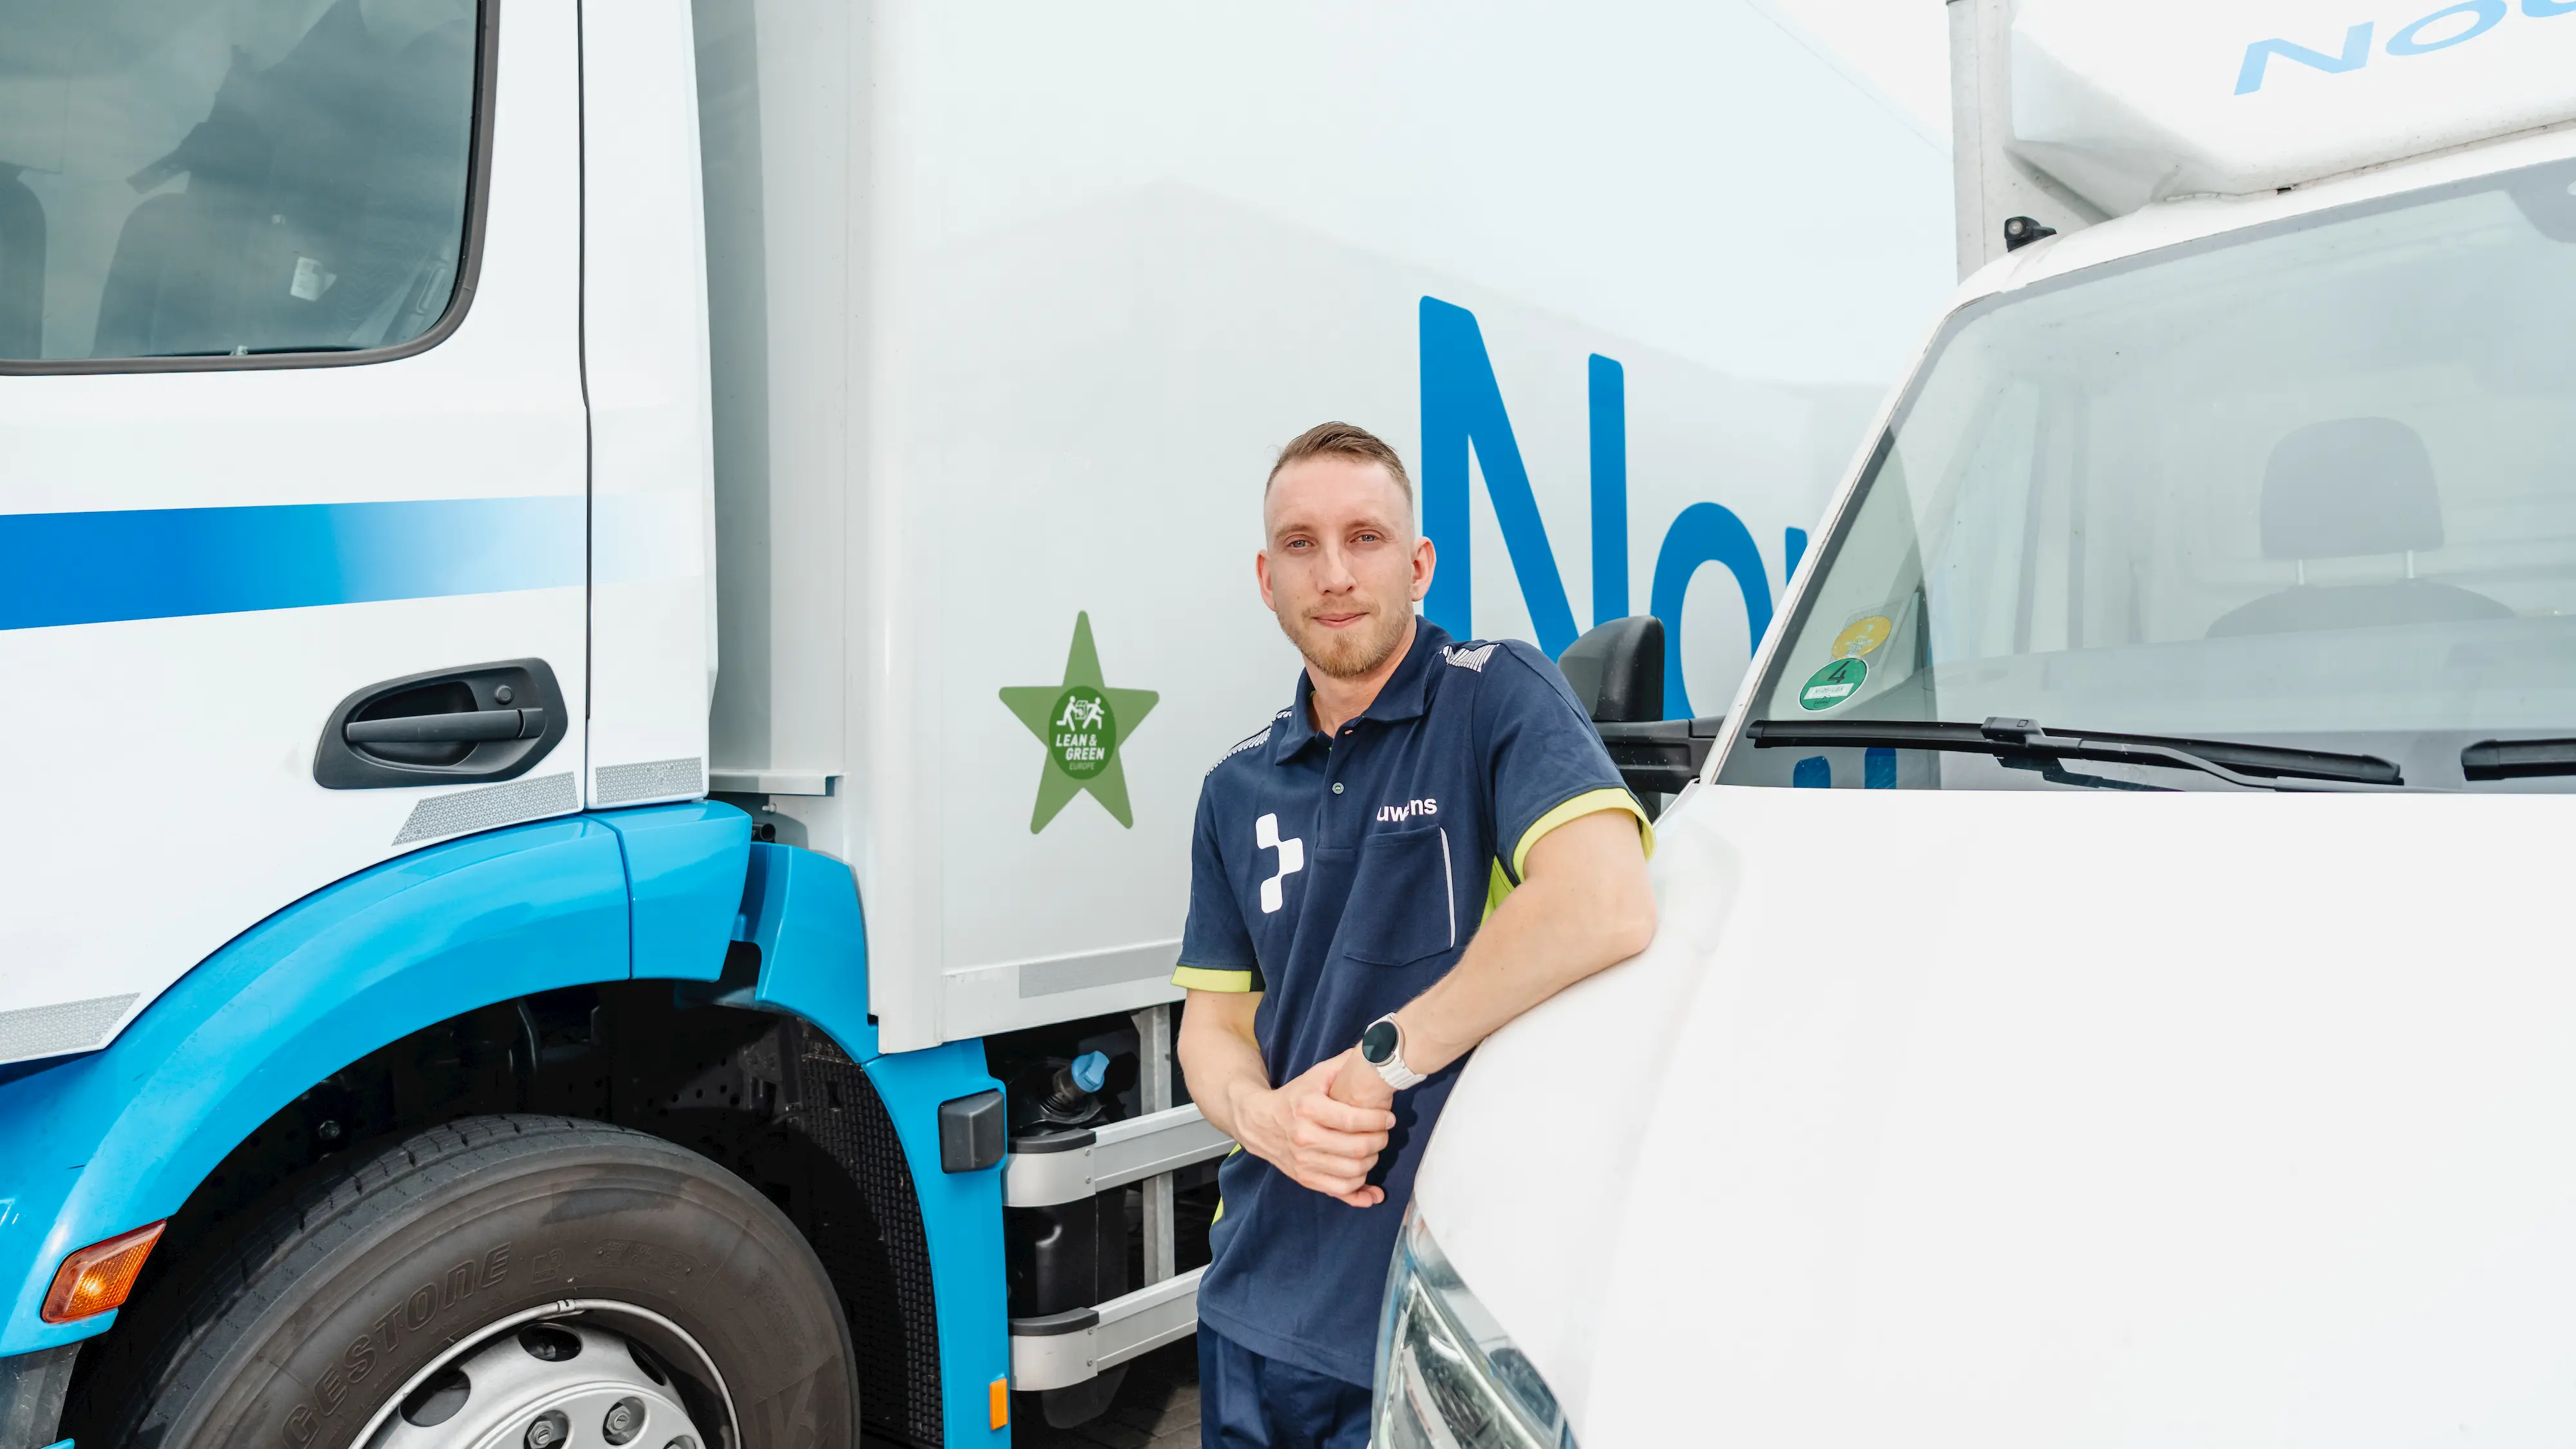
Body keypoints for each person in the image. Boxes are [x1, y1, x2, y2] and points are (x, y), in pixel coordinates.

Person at [1174, 421, 1660, 1448]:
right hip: (1252, 1307)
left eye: (1366, 537)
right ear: (1266, 577)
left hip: (1441, 1309)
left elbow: (1605, 897)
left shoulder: (1494, 694)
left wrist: (1380, 1063)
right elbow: (1211, 1024)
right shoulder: (1234, 786)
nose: (1336, 572)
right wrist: (1264, 1120)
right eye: (1301, 545)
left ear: (1420, 561)